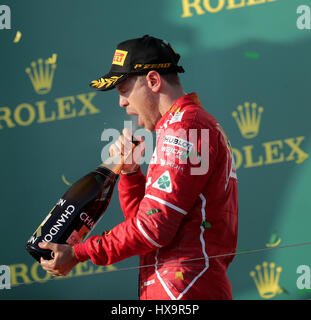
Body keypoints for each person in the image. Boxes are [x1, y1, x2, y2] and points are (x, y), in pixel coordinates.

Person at [39, 35, 238, 300]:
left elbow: (152, 228)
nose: (121, 103)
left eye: (123, 90)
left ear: (153, 81)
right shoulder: (184, 126)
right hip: (179, 286)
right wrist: (131, 175)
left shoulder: (185, 129)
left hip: (184, 290)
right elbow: (148, 226)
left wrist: (78, 253)